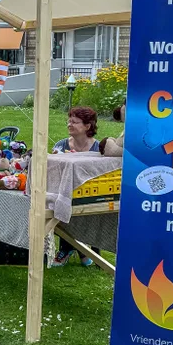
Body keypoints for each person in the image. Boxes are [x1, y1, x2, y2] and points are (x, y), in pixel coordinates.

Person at [52, 106, 99, 267]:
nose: (69, 124)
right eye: (69, 121)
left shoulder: (98, 149)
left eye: (75, 122)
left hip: (91, 193)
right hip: (64, 192)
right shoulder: (61, 145)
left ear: (87, 126)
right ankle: (76, 250)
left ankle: (76, 250)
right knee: (62, 203)